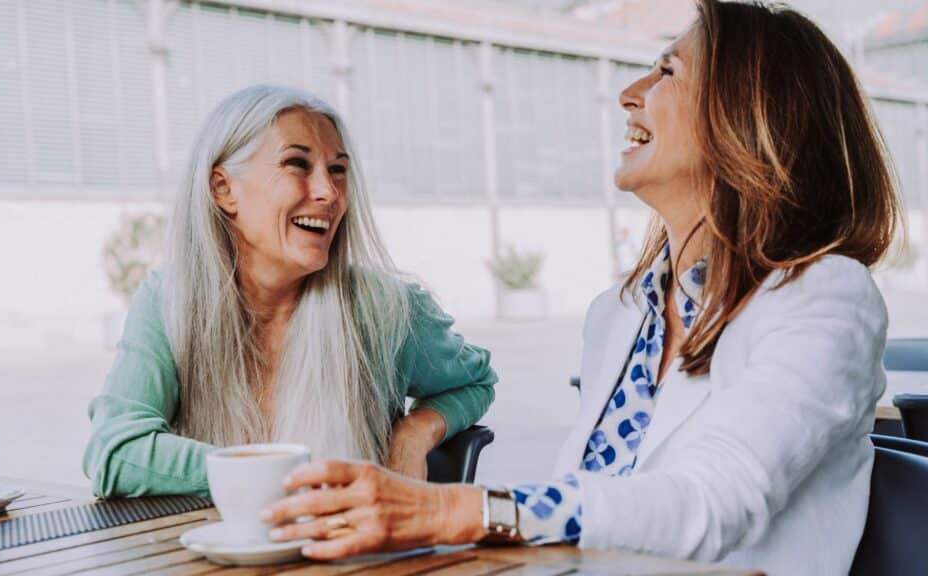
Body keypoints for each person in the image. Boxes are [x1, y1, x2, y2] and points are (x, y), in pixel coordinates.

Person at [262, 2, 902, 574]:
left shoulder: (825, 297)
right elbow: (591, 512)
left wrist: (452, 510)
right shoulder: (618, 315)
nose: (630, 93)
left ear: (749, 114)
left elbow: (711, 501)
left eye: (668, 72)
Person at [82, 85, 497, 498]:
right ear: (223, 189)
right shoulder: (169, 302)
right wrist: (267, 477)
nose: (328, 193)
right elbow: (116, 451)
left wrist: (415, 432)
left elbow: (475, 381)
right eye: (297, 163)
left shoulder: (386, 309)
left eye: (338, 170)